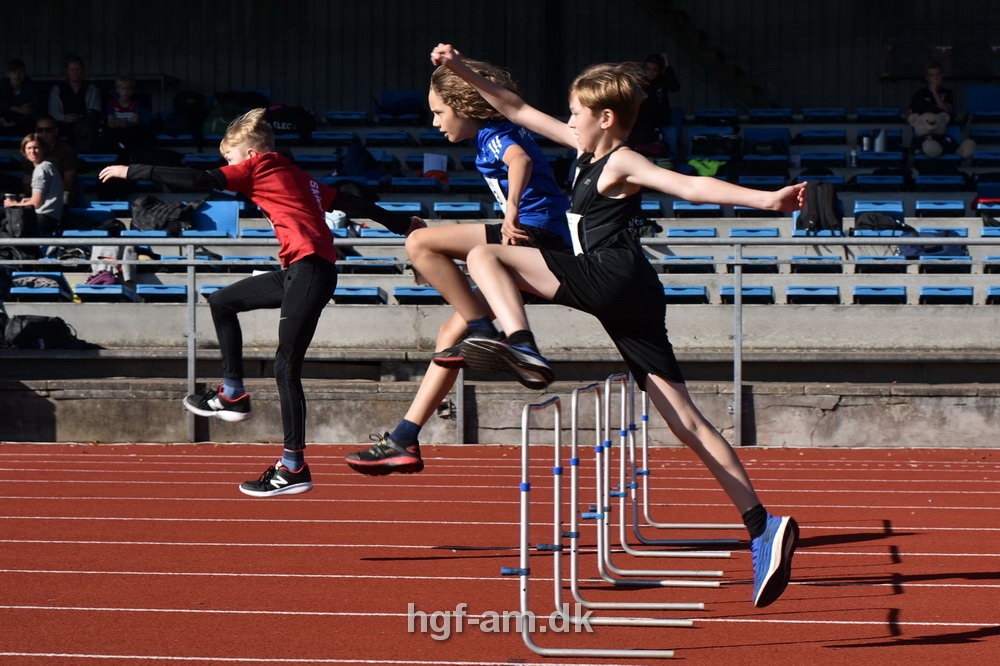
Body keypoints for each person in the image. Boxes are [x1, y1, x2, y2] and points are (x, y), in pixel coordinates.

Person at [431, 43, 804, 608]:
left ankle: (522, 346)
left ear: (605, 118)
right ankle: (763, 525)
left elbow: (690, 186)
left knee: (485, 256)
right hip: (628, 296)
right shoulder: (582, 149)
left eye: (577, 112)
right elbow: (513, 108)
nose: (569, 119)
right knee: (685, 421)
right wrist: (458, 70)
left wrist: (768, 201)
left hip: (610, 275)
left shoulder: (621, 159)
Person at [99, 108, 424, 497]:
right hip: (298, 273)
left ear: (250, 154)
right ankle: (232, 393)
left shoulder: (260, 166)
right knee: (221, 302)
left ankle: (293, 467)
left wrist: (133, 170)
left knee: (286, 367)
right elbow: (353, 203)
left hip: (310, 271)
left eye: (231, 159)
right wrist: (402, 224)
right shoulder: (299, 177)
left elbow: (201, 178)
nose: (228, 167)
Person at [342, 57, 572, 476]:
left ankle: (493, 335)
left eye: (438, 112)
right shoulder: (492, 133)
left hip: (536, 235)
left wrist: (513, 211)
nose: (434, 124)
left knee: (420, 242)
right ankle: (404, 439)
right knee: (450, 335)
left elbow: (519, 160)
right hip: (535, 235)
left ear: (464, 105)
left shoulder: (494, 134)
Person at [4, 133, 64, 236]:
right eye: (29, 148)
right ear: (24, 151)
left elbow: (36, 203)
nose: (32, 152)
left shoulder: (42, 168)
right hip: (50, 217)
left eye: (36, 148)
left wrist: (13, 204)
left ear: (43, 149)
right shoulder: (48, 166)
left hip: (42, 218)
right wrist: (28, 200)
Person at [629, 52, 680, 157]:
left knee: (670, 143)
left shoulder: (662, 81)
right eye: (648, 69)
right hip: (642, 124)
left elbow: (675, 87)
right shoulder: (639, 83)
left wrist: (667, 65)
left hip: (662, 122)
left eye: (654, 70)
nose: (650, 73)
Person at [48, 53, 102, 150]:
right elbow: (53, 111)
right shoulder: (58, 89)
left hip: (85, 125)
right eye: (72, 69)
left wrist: (80, 118)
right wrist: (64, 118)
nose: (75, 73)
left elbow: (94, 109)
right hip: (63, 124)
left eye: (78, 69)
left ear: (83, 71)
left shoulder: (90, 88)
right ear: (67, 71)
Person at [26, 115, 78, 204]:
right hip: (36, 195)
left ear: (55, 131)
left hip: (60, 195)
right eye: (40, 130)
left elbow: (68, 181)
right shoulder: (31, 150)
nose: (44, 133)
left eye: (48, 130)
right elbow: (27, 181)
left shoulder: (65, 150)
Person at [0, 58, 42, 136]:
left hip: (23, 123)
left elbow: (31, 109)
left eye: (20, 72)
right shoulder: (2, 86)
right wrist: (16, 109)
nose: (17, 75)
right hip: (4, 122)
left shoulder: (31, 86)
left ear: (24, 73)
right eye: (14, 72)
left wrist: (15, 121)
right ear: (8, 74)